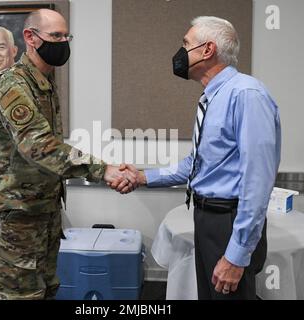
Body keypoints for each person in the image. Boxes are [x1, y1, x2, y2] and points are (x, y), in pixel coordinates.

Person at [113, 16, 281, 300]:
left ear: (207, 50)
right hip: (207, 219)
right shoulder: (213, 97)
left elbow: (258, 183)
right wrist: (142, 177)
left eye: (186, 44)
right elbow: (197, 165)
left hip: (229, 221)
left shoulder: (246, 95)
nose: (180, 52)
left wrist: (237, 256)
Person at [0, 9, 136, 300]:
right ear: (31, 38)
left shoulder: (43, 83)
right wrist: (103, 170)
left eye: (66, 36)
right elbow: (38, 144)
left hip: (44, 211)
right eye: (56, 36)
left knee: (48, 290)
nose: (63, 42)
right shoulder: (12, 84)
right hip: (18, 218)